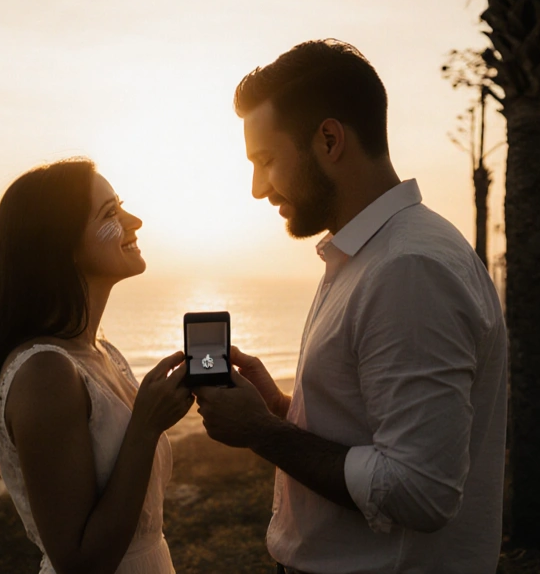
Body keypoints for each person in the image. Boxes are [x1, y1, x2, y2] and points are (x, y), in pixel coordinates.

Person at [194, 39, 508, 574]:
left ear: (329, 139)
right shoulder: (368, 254)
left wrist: (262, 434)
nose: (255, 188)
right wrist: (282, 410)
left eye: (266, 160)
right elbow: (379, 420)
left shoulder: (408, 269)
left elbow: (421, 491)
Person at [0, 158, 194, 574]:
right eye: (110, 213)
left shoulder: (103, 354)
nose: (135, 220)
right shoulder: (44, 373)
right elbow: (80, 564)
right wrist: (145, 425)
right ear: (62, 246)